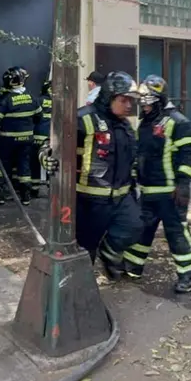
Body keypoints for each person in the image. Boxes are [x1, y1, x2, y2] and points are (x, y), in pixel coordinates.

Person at [41, 71, 143, 279]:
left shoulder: (125, 125)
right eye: (124, 100)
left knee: (135, 226)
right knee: (87, 248)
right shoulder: (82, 118)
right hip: (90, 201)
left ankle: (109, 253)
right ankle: (81, 287)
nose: (129, 106)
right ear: (109, 96)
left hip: (122, 198)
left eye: (131, 101)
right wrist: (46, 158)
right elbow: (51, 145)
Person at [124, 75, 191, 293]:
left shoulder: (178, 122)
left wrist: (183, 183)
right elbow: (139, 155)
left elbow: (189, 155)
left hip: (171, 193)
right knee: (141, 229)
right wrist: (133, 179)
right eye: (142, 103)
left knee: (176, 233)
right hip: (148, 191)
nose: (144, 107)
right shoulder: (146, 124)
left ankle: (188, 274)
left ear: (159, 100)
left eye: (148, 103)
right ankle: (132, 267)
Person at [0, 67, 41, 205]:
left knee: (2, 164)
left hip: (7, 140)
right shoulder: (32, 98)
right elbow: (39, 116)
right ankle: (25, 197)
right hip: (27, 140)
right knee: (24, 165)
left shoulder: (5, 100)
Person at [30, 79, 53, 198]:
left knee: (35, 162)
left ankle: (34, 189)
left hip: (38, 136)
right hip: (51, 138)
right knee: (50, 161)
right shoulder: (58, 102)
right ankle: (51, 187)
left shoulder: (38, 100)